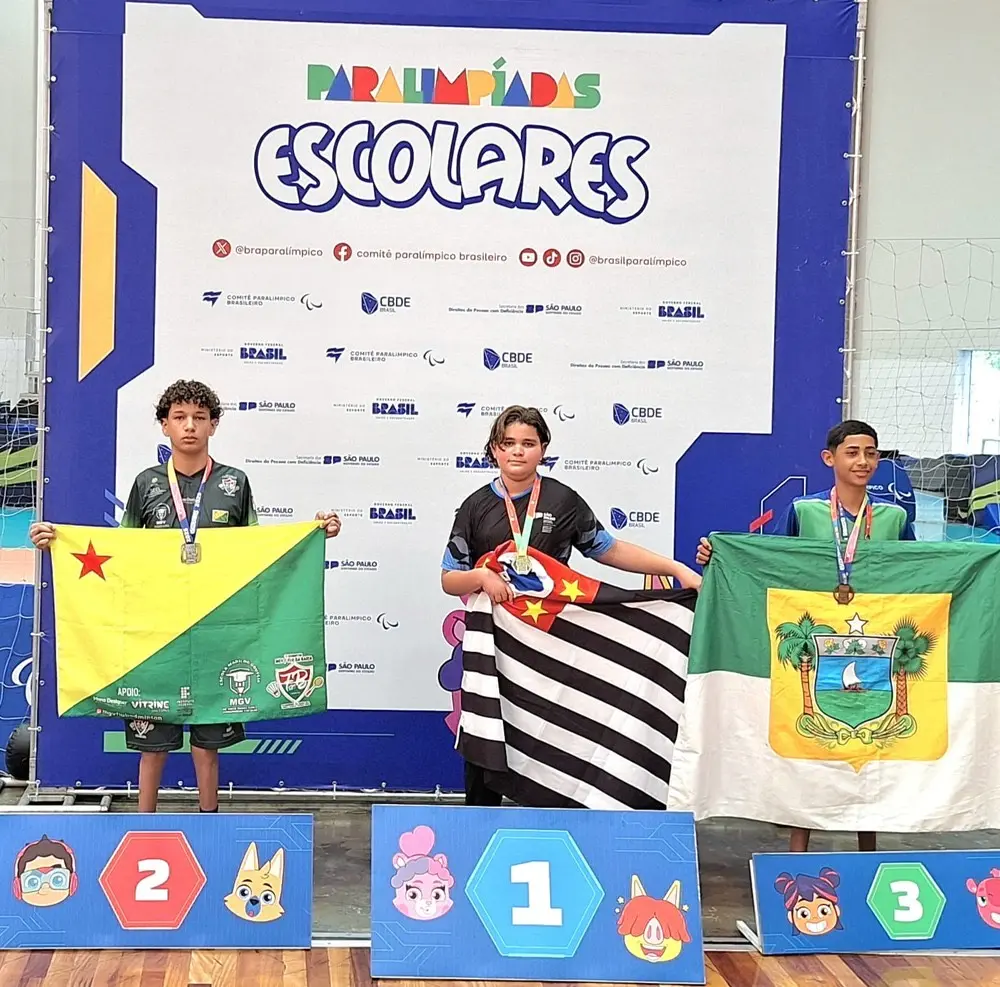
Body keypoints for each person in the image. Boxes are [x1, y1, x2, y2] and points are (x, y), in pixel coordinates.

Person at [29, 380, 342, 813]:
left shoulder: (234, 483)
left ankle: (208, 820)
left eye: (199, 417)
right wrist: (59, 542)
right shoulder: (147, 483)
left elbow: (257, 553)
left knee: (208, 746)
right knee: (152, 747)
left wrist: (315, 531)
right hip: (157, 637)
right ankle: (143, 826)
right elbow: (122, 552)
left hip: (218, 631)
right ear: (164, 426)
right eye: (179, 417)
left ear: (214, 425)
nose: (189, 426)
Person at [441, 404, 702, 806]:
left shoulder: (563, 500)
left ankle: (558, 821)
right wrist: (480, 578)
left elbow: (609, 550)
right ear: (494, 449)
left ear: (543, 448)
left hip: (551, 644)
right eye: (508, 443)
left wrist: (676, 569)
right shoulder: (475, 506)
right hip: (493, 647)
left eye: (528, 443)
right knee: (488, 732)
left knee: (557, 730)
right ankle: (479, 825)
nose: (518, 451)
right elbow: (449, 579)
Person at [696, 419, 915, 852]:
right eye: (852, 452)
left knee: (867, 755)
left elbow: (917, 574)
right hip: (815, 648)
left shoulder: (894, 517)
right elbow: (772, 563)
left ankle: (867, 855)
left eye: (871, 453)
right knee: (809, 749)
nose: (863, 461)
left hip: (871, 648)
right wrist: (717, 555)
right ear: (829, 459)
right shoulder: (805, 510)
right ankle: (797, 853)